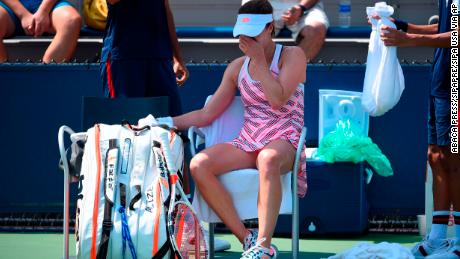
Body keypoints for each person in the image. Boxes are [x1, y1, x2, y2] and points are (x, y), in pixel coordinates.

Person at [159, 1, 307, 258]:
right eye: (243, 33)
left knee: (268, 157)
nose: (246, 39)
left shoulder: (293, 56)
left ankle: (264, 245)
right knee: (199, 164)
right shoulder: (236, 67)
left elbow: (278, 100)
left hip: (285, 137)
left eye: (254, 33)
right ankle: (248, 240)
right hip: (249, 139)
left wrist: (260, 62)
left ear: (271, 28)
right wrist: (166, 121)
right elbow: (207, 114)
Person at [376, 0, 459, 257]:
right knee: (435, 157)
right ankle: (436, 238)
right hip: (441, 82)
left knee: (455, 161)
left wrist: (408, 38)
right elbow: (445, 29)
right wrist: (401, 26)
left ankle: (458, 241)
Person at [100, 0, 188, 117]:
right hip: (124, 60)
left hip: (160, 57)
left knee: (171, 127)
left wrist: (177, 57)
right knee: (124, 128)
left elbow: (165, 5)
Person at [244, 0, 329, 62]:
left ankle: (290, 76)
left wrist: (301, 8)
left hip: (304, 4)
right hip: (265, 3)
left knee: (316, 30)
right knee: (253, 29)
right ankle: (258, 77)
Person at [0, 0, 81, 63]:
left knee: (71, 21)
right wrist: (23, 14)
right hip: (9, 7)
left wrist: (44, 10)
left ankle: (48, 78)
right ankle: (5, 80)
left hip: (50, 5)